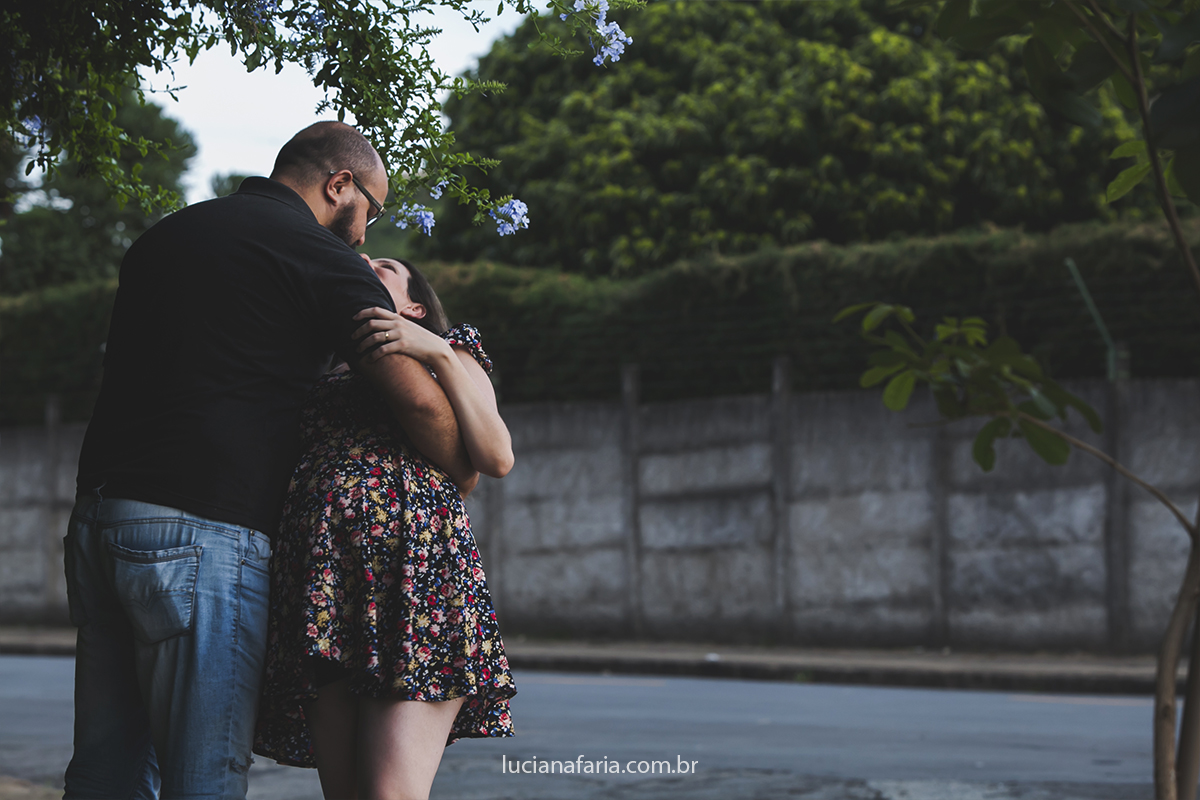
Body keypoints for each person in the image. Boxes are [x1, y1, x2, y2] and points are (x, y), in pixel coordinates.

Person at [63, 123, 478, 800]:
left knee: (106, 771)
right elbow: (418, 404)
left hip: (99, 521)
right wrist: (461, 471)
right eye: (370, 209)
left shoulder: (163, 238)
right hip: (201, 532)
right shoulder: (318, 255)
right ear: (338, 185)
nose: (366, 235)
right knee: (203, 775)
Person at [254, 257, 515, 800]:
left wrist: (437, 350)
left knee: (390, 794)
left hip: (413, 572)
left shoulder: (451, 348)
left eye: (386, 266)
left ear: (414, 305)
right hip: (326, 584)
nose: (365, 264)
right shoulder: (321, 362)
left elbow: (496, 456)